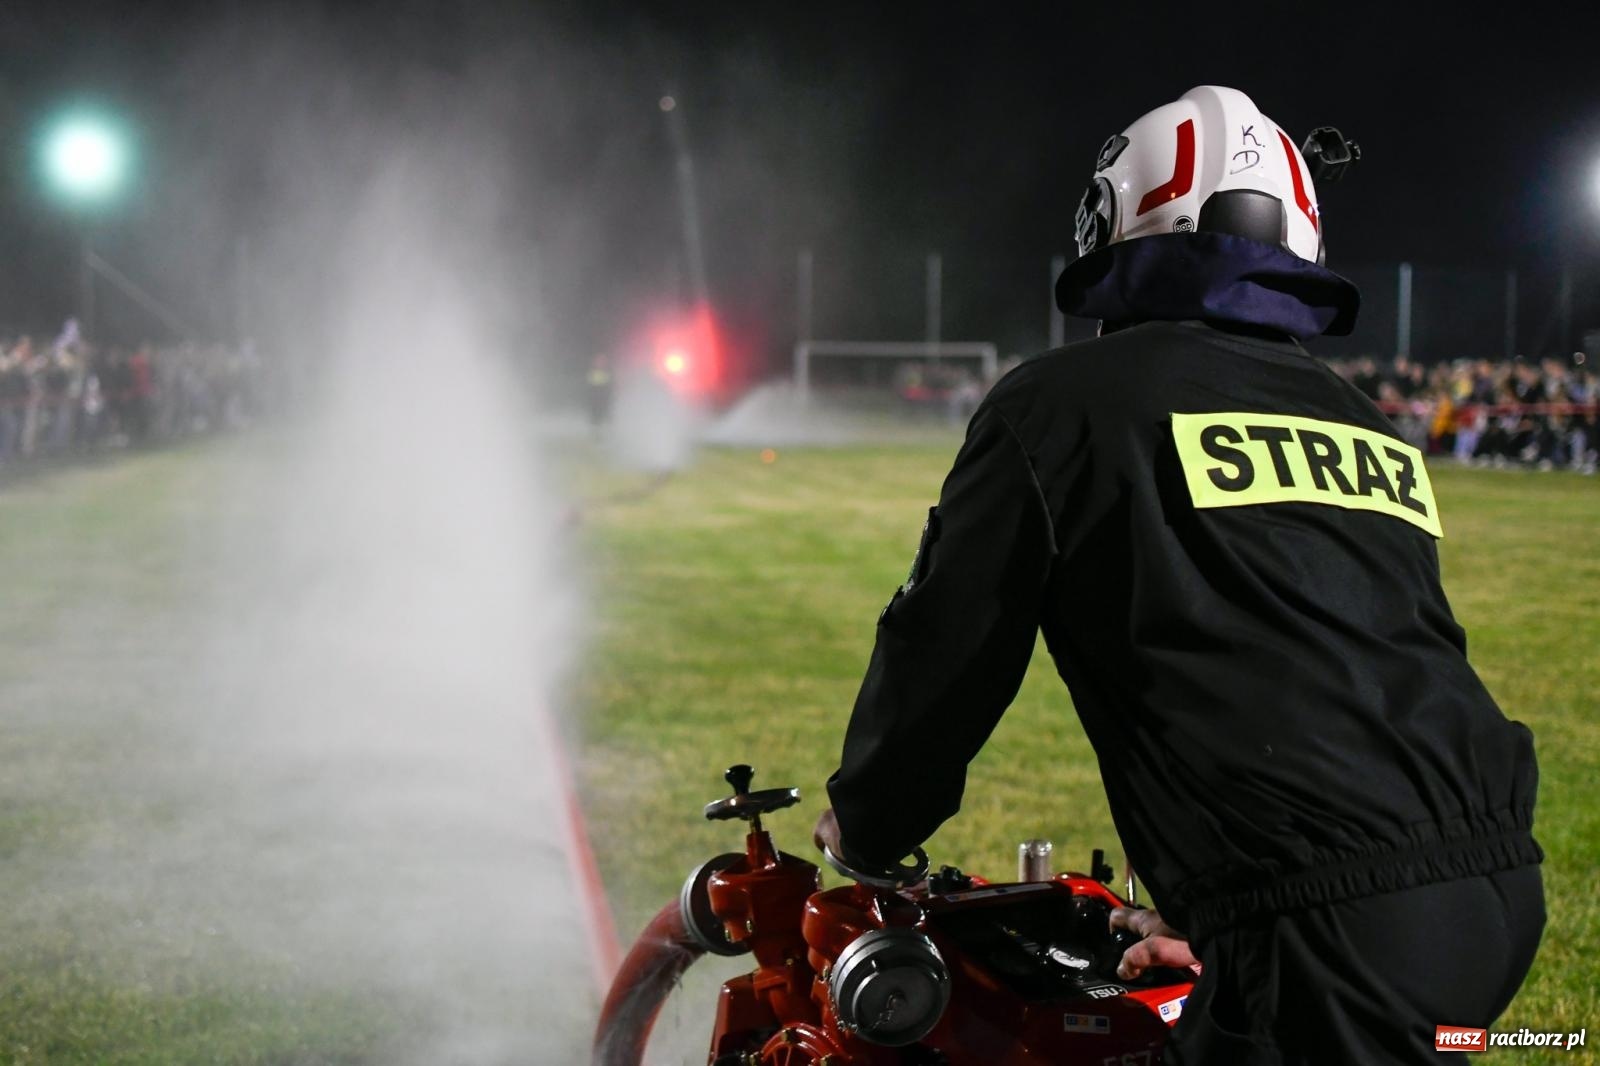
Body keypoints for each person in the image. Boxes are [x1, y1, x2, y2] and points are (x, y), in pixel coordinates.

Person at [813, 86, 1542, 1065]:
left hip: (1331, 926)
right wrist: (1247, 913)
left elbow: (947, 643)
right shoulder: (1359, 418)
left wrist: (868, 820)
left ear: (1119, 217)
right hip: (1487, 888)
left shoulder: (1063, 405)